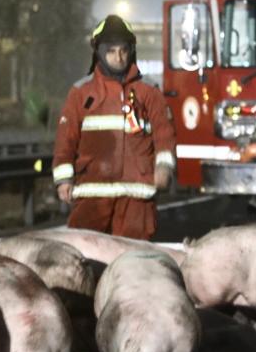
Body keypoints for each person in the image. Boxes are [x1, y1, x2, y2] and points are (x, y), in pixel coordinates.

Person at [51, 14, 176, 241]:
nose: (118, 57)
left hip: (137, 196)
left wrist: (164, 168)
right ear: (99, 52)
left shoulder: (149, 92)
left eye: (123, 50)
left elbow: (164, 134)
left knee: (134, 263)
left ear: (131, 51)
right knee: (85, 260)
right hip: (92, 195)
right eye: (111, 51)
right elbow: (65, 140)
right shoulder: (81, 93)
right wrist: (64, 180)